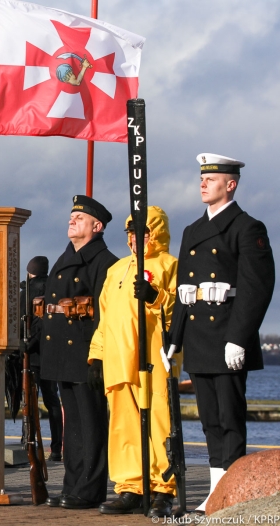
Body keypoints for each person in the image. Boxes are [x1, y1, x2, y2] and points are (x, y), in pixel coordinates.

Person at [168, 154, 274, 512]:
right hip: (198, 338)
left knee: (230, 418)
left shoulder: (247, 227)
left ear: (231, 185)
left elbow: (256, 287)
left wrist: (239, 337)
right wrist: (174, 340)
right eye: (201, 178)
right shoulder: (191, 231)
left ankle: (231, 493)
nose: (202, 184)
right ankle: (216, 493)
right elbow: (185, 291)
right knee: (210, 420)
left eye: (211, 179)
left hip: (227, 335)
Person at [90, 206, 179, 517]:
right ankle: (130, 485)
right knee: (123, 424)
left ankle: (162, 487)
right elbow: (105, 316)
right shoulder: (116, 270)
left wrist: (155, 296)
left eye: (142, 232)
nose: (134, 238)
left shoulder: (169, 265)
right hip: (118, 359)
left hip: (153, 358)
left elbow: (180, 313)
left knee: (159, 422)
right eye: (130, 232)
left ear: (156, 233)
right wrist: (97, 352)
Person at [40, 195, 118, 509]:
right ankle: (72, 486)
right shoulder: (65, 258)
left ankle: (89, 489)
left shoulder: (104, 262)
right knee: (72, 423)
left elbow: (104, 312)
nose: (72, 220)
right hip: (61, 350)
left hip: (86, 352)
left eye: (80, 218)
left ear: (97, 227)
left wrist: (96, 354)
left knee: (91, 423)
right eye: (72, 216)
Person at [18, 255, 64, 461]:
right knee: (52, 400)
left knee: (28, 400)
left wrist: (23, 344)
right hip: (51, 351)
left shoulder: (25, 292)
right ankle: (56, 448)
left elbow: (21, 321)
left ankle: (28, 440)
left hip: (31, 352)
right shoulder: (54, 288)